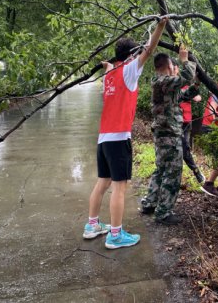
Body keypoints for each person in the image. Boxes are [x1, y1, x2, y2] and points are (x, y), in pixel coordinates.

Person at [82, 17, 168, 249]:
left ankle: (92, 225)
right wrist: (160, 26)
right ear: (131, 56)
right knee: (119, 186)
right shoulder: (129, 71)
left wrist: (106, 65)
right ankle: (116, 235)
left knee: (103, 182)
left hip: (103, 139)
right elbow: (148, 51)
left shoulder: (111, 74)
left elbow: (110, 66)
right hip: (119, 138)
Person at [139, 46, 196, 225]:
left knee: (161, 169)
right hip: (169, 135)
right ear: (168, 65)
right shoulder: (163, 80)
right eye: (173, 64)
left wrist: (197, 86)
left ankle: (150, 203)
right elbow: (186, 76)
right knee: (172, 172)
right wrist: (185, 60)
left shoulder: (162, 83)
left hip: (164, 133)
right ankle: (163, 213)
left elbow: (181, 97)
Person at [172, 60, 206, 184]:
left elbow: (196, 95)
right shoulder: (171, 86)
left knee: (185, 148)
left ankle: (195, 172)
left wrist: (195, 93)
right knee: (180, 150)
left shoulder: (183, 84)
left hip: (187, 121)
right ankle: (193, 172)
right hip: (175, 123)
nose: (175, 71)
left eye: (175, 68)